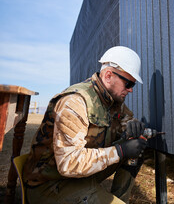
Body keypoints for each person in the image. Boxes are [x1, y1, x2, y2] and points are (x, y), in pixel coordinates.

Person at [23, 46, 148, 204]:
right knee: (126, 150)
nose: (130, 90)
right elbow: (68, 163)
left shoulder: (112, 99)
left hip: (80, 175)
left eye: (133, 85)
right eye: (128, 83)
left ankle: (119, 199)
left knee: (138, 148)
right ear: (108, 75)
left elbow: (125, 117)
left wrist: (132, 125)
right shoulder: (75, 102)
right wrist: (120, 151)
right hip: (50, 184)